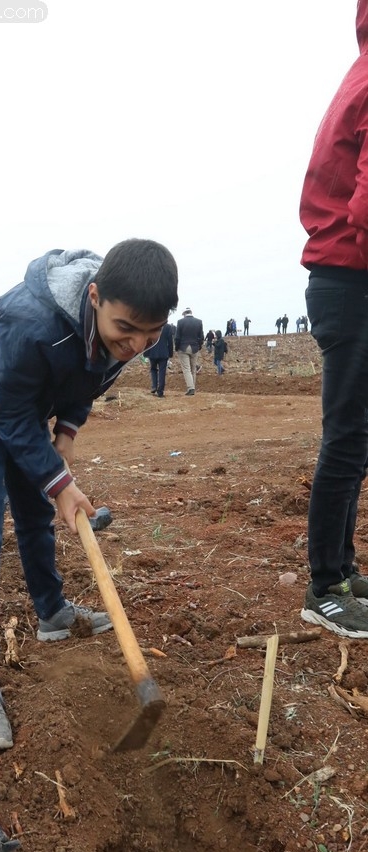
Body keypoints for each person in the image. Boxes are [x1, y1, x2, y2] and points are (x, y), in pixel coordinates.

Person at [0, 240, 178, 749]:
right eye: (126, 330)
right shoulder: (35, 323)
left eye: (151, 334)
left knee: (34, 511)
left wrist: (65, 433)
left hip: (23, 402)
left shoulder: (129, 332)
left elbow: (86, 378)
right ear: (94, 298)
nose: (137, 345)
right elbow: (4, 407)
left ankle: (52, 613)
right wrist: (60, 481)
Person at [298, 0, 368, 638]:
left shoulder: (363, 68)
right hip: (353, 277)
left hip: (345, 276)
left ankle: (341, 568)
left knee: (355, 434)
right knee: (348, 436)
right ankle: (324, 586)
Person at [174, 307, 204, 395]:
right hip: (195, 347)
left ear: (184, 314)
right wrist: (199, 346)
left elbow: (177, 337)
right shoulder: (199, 321)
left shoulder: (180, 322)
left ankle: (191, 388)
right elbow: (201, 336)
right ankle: (192, 387)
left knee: (186, 369)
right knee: (193, 368)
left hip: (183, 347)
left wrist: (177, 347)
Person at [147, 320, 175, 397]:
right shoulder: (168, 327)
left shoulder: (150, 325)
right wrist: (170, 353)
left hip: (152, 352)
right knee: (162, 372)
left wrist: (146, 353)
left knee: (153, 369)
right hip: (164, 353)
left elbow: (147, 339)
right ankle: (160, 392)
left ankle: (154, 386)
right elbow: (170, 341)